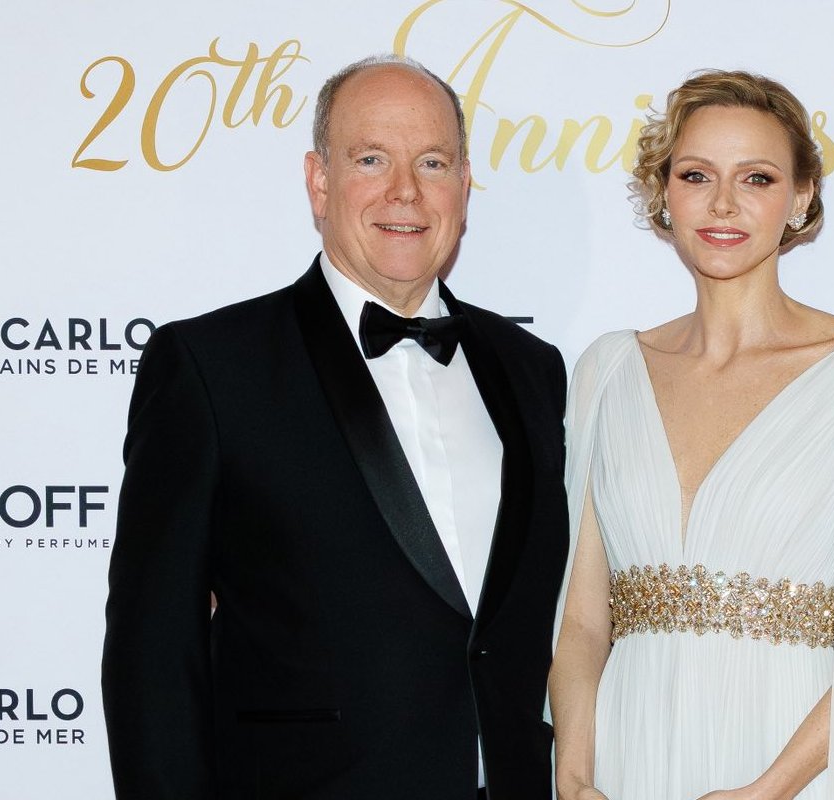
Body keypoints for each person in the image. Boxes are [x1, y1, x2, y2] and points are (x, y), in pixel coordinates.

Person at [101, 55, 567, 800]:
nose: (405, 191)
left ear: (465, 186)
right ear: (319, 181)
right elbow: (154, 655)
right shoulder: (213, 368)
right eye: (371, 159)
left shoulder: (531, 370)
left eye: (433, 162)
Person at [549, 70, 834, 800]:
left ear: (800, 197)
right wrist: (575, 777)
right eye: (696, 174)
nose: (723, 204)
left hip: (794, 765)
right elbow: (581, 621)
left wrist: (765, 791)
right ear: (663, 192)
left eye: (758, 177)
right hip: (628, 754)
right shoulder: (607, 371)